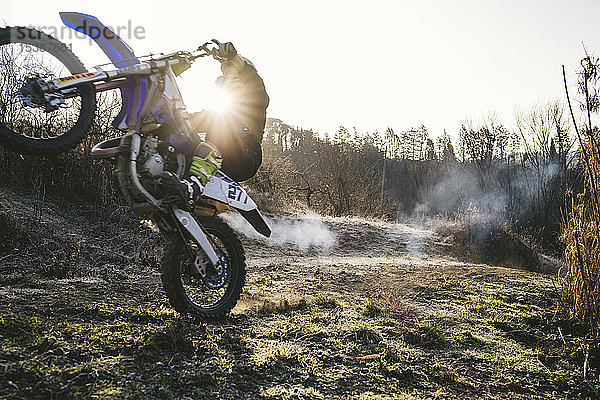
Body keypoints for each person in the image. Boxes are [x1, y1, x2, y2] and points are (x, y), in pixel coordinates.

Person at [163, 41, 269, 205]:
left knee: (217, 120)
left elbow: (250, 76)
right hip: (226, 155)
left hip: (246, 156)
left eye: (232, 74)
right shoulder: (222, 109)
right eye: (225, 75)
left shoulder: (256, 96)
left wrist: (232, 57)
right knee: (185, 128)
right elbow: (190, 122)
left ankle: (194, 185)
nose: (227, 78)